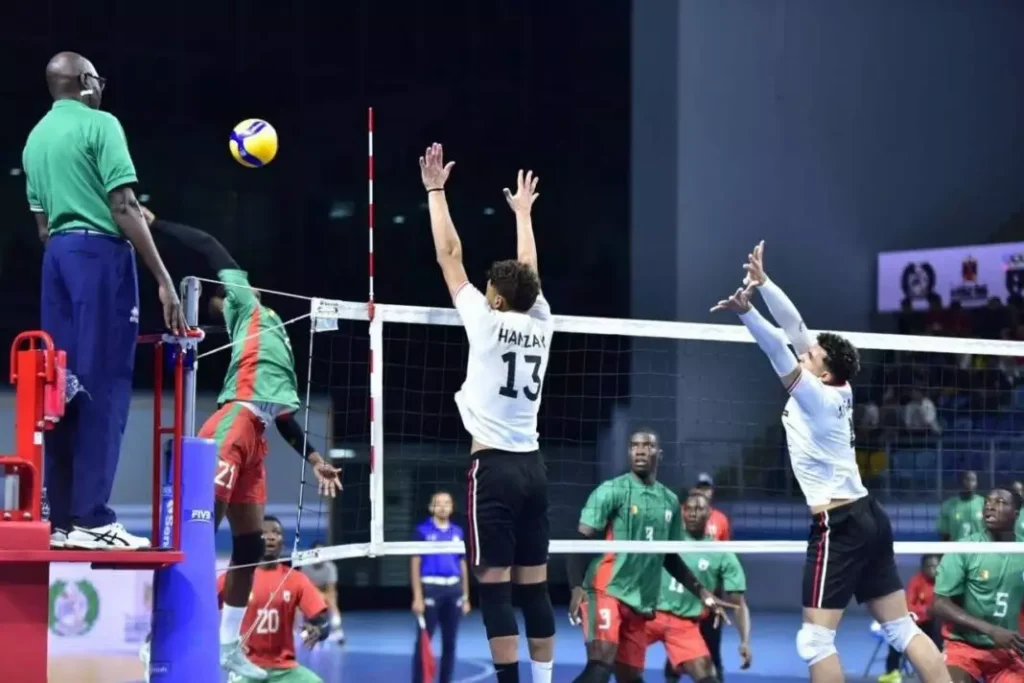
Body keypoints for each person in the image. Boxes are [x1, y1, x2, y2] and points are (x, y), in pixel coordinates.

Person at [711, 241, 950, 683]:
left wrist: (748, 313)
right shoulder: (838, 385)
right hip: (868, 515)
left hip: (839, 524)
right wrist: (764, 283)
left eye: (810, 354)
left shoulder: (817, 398)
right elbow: (796, 327)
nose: (804, 350)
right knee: (900, 628)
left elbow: (777, 349)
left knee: (815, 641)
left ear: (822, 371)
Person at [145, 213, 342, 679]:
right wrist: (157, 223)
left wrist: (316, 459)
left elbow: (284, 418)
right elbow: (208, 240)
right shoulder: (246, 305)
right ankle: (159, 637)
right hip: (235, 422)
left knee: (250, 544)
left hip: (259, 432)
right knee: (198, 533)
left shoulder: (274, 328)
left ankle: (228, 646)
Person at [22, 51, 185, 550]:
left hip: (58, 260)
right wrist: (163, 278)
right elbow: (124, 205)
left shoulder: (35, 138)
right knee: (103, 384)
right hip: (100, 256)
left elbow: (43, 227)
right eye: (99, 78)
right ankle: (93, 518)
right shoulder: (102, 124)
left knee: (61, 386)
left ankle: (62, 521)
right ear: (85, 81)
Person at [420, 143, 555, 683]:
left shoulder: (486, 319)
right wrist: (523, 215)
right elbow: (530, 273)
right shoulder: (542, 320)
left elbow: (449, 255)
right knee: (535, 588)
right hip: (534, 467)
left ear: (496, 298)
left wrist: (435, 191)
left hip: (494, 470)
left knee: (495, 587)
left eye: (491, 287)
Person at [565, 429, 735, 683]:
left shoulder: (670, 501)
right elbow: (580, 541)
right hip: (605, 589)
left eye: (648, 446)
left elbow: (670, 557)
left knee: (631, 678)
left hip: (639, 600)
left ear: (659, 454)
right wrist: (576, 586)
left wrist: (702, 592)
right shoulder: (612, 490)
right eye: (635, 446)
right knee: (601, 664)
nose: (641, 451)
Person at [652, 492, 752, 683]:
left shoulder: (721, 553)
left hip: (685, 622)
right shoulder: (666, 540)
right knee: (612, 657)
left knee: (706, 670)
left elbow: (738, 604)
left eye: (699, 509)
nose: (693, 513)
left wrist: (745, 641)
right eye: (689, 509)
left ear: (709, 514)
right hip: (652, 615)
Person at [217, 516, 331, 683]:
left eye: (276, 533)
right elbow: (204, 611)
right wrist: (227, 639)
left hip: (285, 670)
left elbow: (323, 621)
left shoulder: (296, 579)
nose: (271, 537)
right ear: (256, 541)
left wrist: (318, 631)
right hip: (245, 666)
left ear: (282, 543)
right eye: (264, 533)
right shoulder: (237, 577)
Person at [932, 488, 1024, 682]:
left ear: (1016, 514)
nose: (990, 506)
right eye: (988, 501)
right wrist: (991, 630)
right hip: (963, 647)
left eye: (1000, 502)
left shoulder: (1021, 551)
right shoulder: (964, 548)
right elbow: (939, 603)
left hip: (1008, 649)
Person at [411, 490, 472, 683]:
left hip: (453, 591)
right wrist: (417, 597)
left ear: (452, 507)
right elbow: (415, 562)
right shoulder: (422, 531)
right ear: (431, 507)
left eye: (447, 503)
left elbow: (462, 564)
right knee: (424, 640)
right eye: (439, 503)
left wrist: (466, 597)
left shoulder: (458, 532)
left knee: (450, 643)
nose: (443, 507)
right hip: (431, 589)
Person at [878, 555, 942, 683]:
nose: (933, 570)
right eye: (929, 566)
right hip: (918, 622)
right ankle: (892, 673)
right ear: (923, 568)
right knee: (897, 636)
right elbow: (909, 606)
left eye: (936, 566)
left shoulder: (944, 581)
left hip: (937, 624)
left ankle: (939, 670)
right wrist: (925, 611)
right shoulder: (916, 581)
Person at [692, 474, 731, 679]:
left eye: (707, 488)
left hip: (713, 587)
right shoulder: (685, 515)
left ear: (712, 491)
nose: (704, 491)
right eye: (700, 487)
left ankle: (718, 673)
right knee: (681, 638)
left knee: (713, 640)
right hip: (688, 586)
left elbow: (725, 553)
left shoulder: (721, 519)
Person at [300, 542, 344, 644]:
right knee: (297, 606)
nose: (318, 556)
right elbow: (304, 587)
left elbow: (331, 589)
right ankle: (298, 632)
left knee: (332, 599)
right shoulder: (305, 567)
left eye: (321, 553)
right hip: (308, 593)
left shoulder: (330, 567)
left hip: (325, 593)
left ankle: (337, 630)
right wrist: (317, 594)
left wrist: (323, 597)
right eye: (316, 553)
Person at [938, 471, 985, 542]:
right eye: (967, 479)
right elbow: (944, 535)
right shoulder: (948, 505)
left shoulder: (984, 503)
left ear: (977, 483)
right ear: (960, 483)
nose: (970, 483)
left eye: (973, 480)